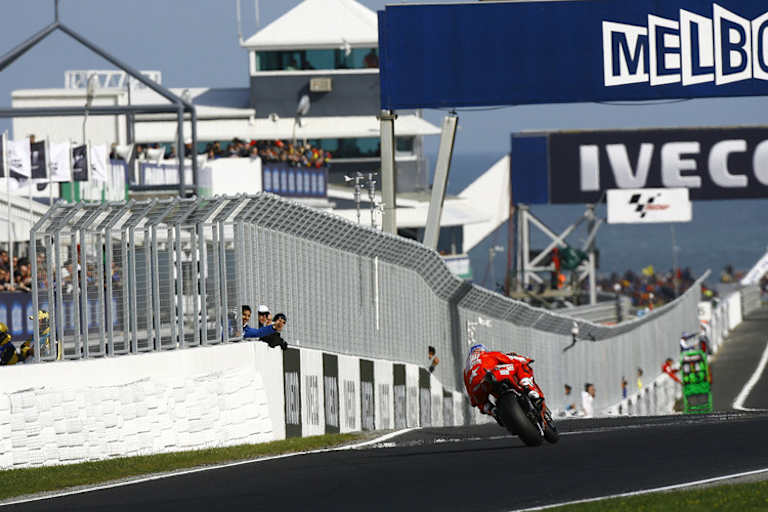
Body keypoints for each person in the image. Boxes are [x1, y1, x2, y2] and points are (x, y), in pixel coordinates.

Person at [463, 343, 544, 421]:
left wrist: (477, 402)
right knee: (520, 365)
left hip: (477, 387)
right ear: (482, 350)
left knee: (482, 403)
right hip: (495, 375)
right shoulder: (487, 355)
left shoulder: (466, 370)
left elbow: (471, 394)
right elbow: (512, 359)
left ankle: (492, 410)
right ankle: (528, 387)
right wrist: (526, 359)